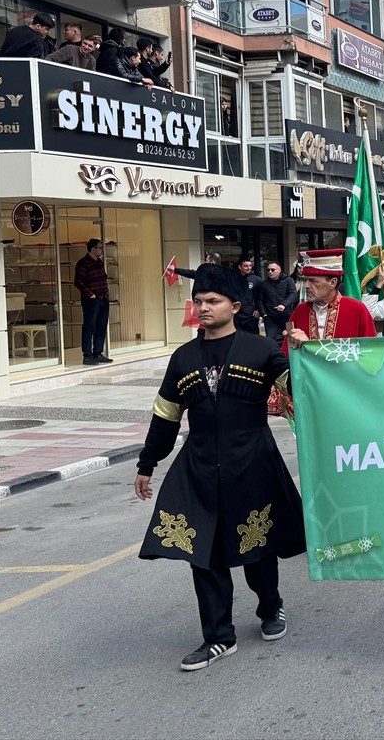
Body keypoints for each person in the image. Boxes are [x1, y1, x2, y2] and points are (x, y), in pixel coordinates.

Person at [134, 263, 304, 671]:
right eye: (199, 301)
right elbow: (165, 416)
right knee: (203, 552)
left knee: (257, 546)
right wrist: (147, 463)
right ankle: (218, 637)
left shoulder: (260, 350)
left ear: (235, 306)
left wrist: (300, 354)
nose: (204, 308)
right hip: (199, 467)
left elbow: (301, 390)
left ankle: (271, 607)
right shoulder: (183, 358)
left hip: (253, 463)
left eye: (213, 301)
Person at [283, 250, 377, 351]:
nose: (306, 285)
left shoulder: (356, 309)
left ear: (332, 283)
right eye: (305, 280)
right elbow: (287, 354)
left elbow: (371, 351)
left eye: (313, 281)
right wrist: (297, 345)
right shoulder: (300, 310)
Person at [75, 238, 111, 365]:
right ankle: (87, 355)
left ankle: (98, 352)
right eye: (100, 248)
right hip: (92, 300)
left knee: (101, 326)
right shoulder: (83, 263)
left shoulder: (99, 262)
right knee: (89, 327)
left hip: (103, 297)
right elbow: (78, 282)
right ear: (93, 249)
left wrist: (106, 294)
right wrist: (90, 294)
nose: (102, 250)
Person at [259, 261, 298, 344]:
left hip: (287, 316)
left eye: (272, 270)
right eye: (268, 270)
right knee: (270, 340)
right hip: (271, 317)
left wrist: (284, 305)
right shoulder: (265, 284)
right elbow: (260, 300)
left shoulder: (288, 280)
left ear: (279, 270)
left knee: (291, 338)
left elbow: (293, 294)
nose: (270, 272)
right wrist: (264, 314)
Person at [233, 257, 264, 335]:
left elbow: (260, 296)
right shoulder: (233, 279)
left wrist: (258, 309)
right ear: (240, 267)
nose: (248, 268)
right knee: (237, 337)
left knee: (253, 338)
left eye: (250, 265)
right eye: (246, 266)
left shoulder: (257, 280)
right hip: (236, 315)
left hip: (251, 315)